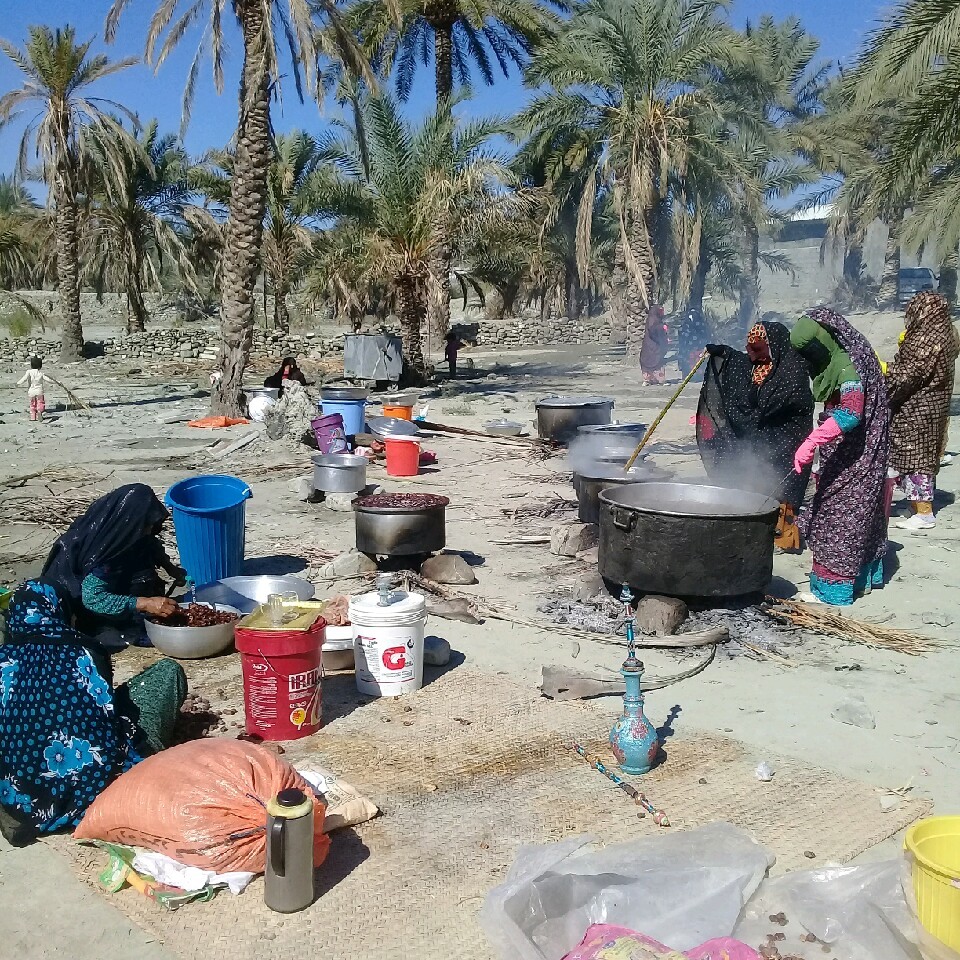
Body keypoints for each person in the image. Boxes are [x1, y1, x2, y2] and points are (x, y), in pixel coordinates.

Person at [0, 580, 187, 844]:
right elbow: (101, 712)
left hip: (25, 800)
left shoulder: (3, 659)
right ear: (60, 611)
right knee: (167, 673)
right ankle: (137, 767)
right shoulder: (84, 650)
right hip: (99, 785)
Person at [790, 308, 891, 605]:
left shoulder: (847, 365)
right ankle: (864, 577)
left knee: (840, 518)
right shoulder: (846, 352)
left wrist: (811, 441)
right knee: (864, 515)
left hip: (859, 456)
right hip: (857, 451)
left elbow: (850, 414)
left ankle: (832, 590)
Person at [696, 322, 814, 550]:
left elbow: (771, 405)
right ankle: (755, 533)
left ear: (773, 346)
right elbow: (739, 362)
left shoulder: (792, 369)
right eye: (749, 348)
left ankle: (785, 539)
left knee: (783, 494)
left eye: (757, 349)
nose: (752, 354)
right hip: (761, 444)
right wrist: (722, 353)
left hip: (788, 443)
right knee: (753, 488)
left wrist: (754, 412)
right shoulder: (754, 365)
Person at [40, 484, 185, 646]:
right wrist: (144, 603)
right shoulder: (104, 555)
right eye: (146, 525)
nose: (149, 529)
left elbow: (152, 547)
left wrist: (172, 569)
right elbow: (93, 599)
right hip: (91, 609)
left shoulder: (135, 535)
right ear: (131, 523)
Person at [884, 291, 959, 531]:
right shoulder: (947, 331)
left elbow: (909, 374)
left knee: (915, 457)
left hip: (917, 405)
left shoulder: (925, 337)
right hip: (935, 402)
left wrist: (883, 371)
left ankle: (924, 512)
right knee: (924, 453)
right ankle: (915, 506)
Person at [639, 305, 669, 385]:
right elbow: (653, 330)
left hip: (652, 345)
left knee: (656, 361)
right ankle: (649, 380)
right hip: (652, 345)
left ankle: (654, 380)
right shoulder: (653, 319)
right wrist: (662, 328)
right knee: (655, 360)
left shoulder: (656, 319)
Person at [17, 356, 53, 422]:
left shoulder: (28, 372)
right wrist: (57, 382)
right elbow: (48, 380)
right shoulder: (41, 373)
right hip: (39, 391)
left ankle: (33, 417)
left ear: (31, 365)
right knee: (40, 403)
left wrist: (17, 383)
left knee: (32, 404)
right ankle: (39, 411)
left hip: (31, 391)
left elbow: (24, 379)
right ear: (40, 366)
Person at [677, 305, 710, 376]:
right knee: (688, 361)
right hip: (688, 348)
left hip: (698, 347)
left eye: (694, 316)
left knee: (697, 361)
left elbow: (704, 335)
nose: (692, 317)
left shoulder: (700, 324)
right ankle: (687, 374)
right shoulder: (685, 324)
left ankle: (698, 375)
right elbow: (682, 335)